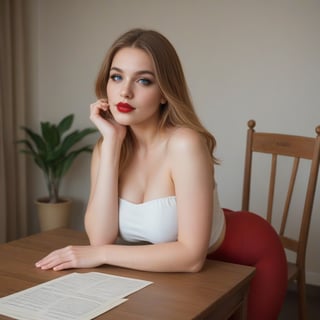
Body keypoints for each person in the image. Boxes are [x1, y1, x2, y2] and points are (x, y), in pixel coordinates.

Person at [35, 28, 287, 319]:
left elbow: (192, 258)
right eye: (116, 77)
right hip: (175, 266)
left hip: (247, 250)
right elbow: (100, 239)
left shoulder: (184, 143)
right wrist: (112, 144)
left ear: (165, 92)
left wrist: (101, 255)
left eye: (143, 80)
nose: (125, 91)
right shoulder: (107, 146)